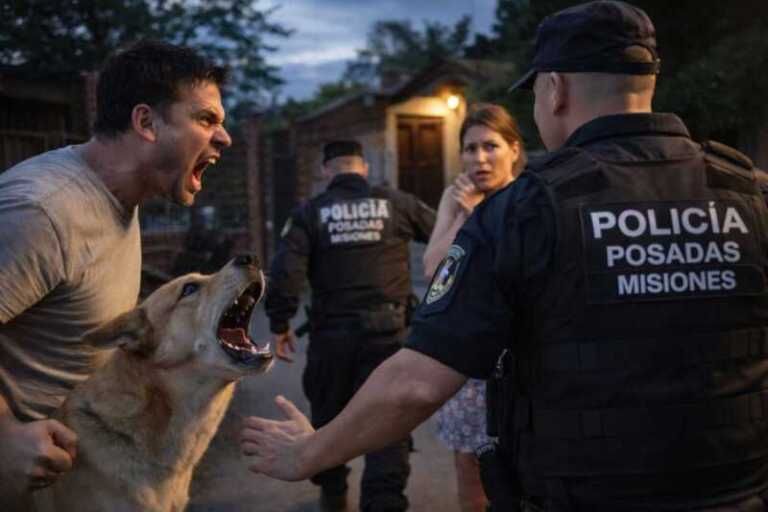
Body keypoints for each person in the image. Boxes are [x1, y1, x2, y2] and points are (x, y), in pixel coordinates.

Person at [241, 1, 768, 510]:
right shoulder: (749, 193)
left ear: (555, 89)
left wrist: (307, 453)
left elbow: (418, 382)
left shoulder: (527, 210)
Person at [0, 39, 231, 504]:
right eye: (206, 119)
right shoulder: (42, 210)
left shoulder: (120, 201)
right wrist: (2, 434)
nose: (224, 137)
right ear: (146, 122)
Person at [264, 139, 436, 512]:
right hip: (390, 339)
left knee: (328, 421)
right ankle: (384, 503)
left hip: (332, 339)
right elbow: (446, 238)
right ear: (364, 168)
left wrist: (280, 323)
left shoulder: (310, 212)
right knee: (387, 427)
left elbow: (285, 273)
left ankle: (334, 494)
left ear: (327, 171)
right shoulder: (397, 203)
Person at [423, 103, 525, 512]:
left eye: (491, 146)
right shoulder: (460, 199)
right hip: (471, 367)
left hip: (523, 361)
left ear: (514, 149)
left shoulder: (528, 198)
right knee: (471, 475)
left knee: (527, 476)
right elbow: (434, 269)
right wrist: (460, 213)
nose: (479, 159)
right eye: (469, 149)